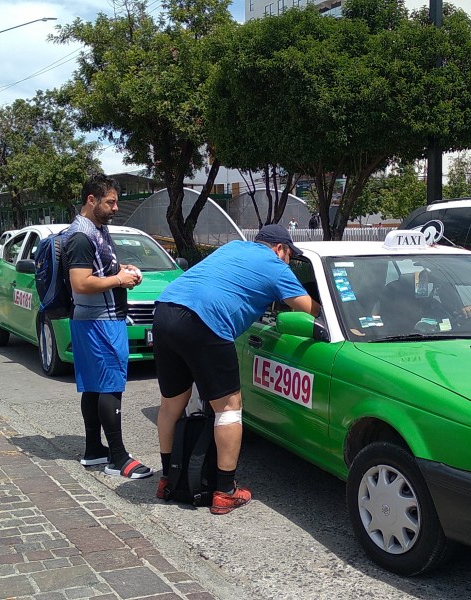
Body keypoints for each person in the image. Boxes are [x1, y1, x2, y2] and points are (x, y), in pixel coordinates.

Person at [152, 224, 320, 514]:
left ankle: (169, 479)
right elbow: (311, 309)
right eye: (290, 255)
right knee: (229, 407)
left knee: (171, 405)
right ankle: (225, 491)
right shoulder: (275, 265)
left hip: (165, 311)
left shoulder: (233, 248)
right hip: (205, 321)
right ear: (280, 248)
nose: (289, 261)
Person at [64, 173, 153, 479]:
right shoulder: (80, 236)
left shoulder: (95, 230)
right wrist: (119, 280)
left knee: (93, 386)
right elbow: (80, 282)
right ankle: (118, 458)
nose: (116, 208)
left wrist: (123, 270)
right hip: (100, 322)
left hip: (94, 321)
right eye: (110, 202)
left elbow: (99, 269)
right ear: (92, 200)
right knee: (110, 387)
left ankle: (93, 451)